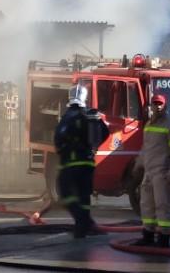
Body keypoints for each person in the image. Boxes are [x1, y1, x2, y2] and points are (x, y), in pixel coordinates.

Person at [54, 85, 109, 238]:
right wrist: (93, 147)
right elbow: (105, 133)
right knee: (84, 197)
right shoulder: (91, 115)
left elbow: (58, 138)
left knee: (66, 194)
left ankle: (83, 223)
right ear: (85, 98)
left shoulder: (67, 117)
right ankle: (83, 228)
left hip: (70, 164)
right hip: (88, 163)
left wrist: (63, 150)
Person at [131, 93, 170, 248]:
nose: (158, 106)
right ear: (151, 106)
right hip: (148, 172)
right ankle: (148, 235)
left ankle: (164, 238)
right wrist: (138, 165)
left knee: (162, 205)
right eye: (155, 103)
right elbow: (145, 148)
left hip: (162, 172)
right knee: (146, 205)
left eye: (160, 104)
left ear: (165, 106)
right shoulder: (148, 125)